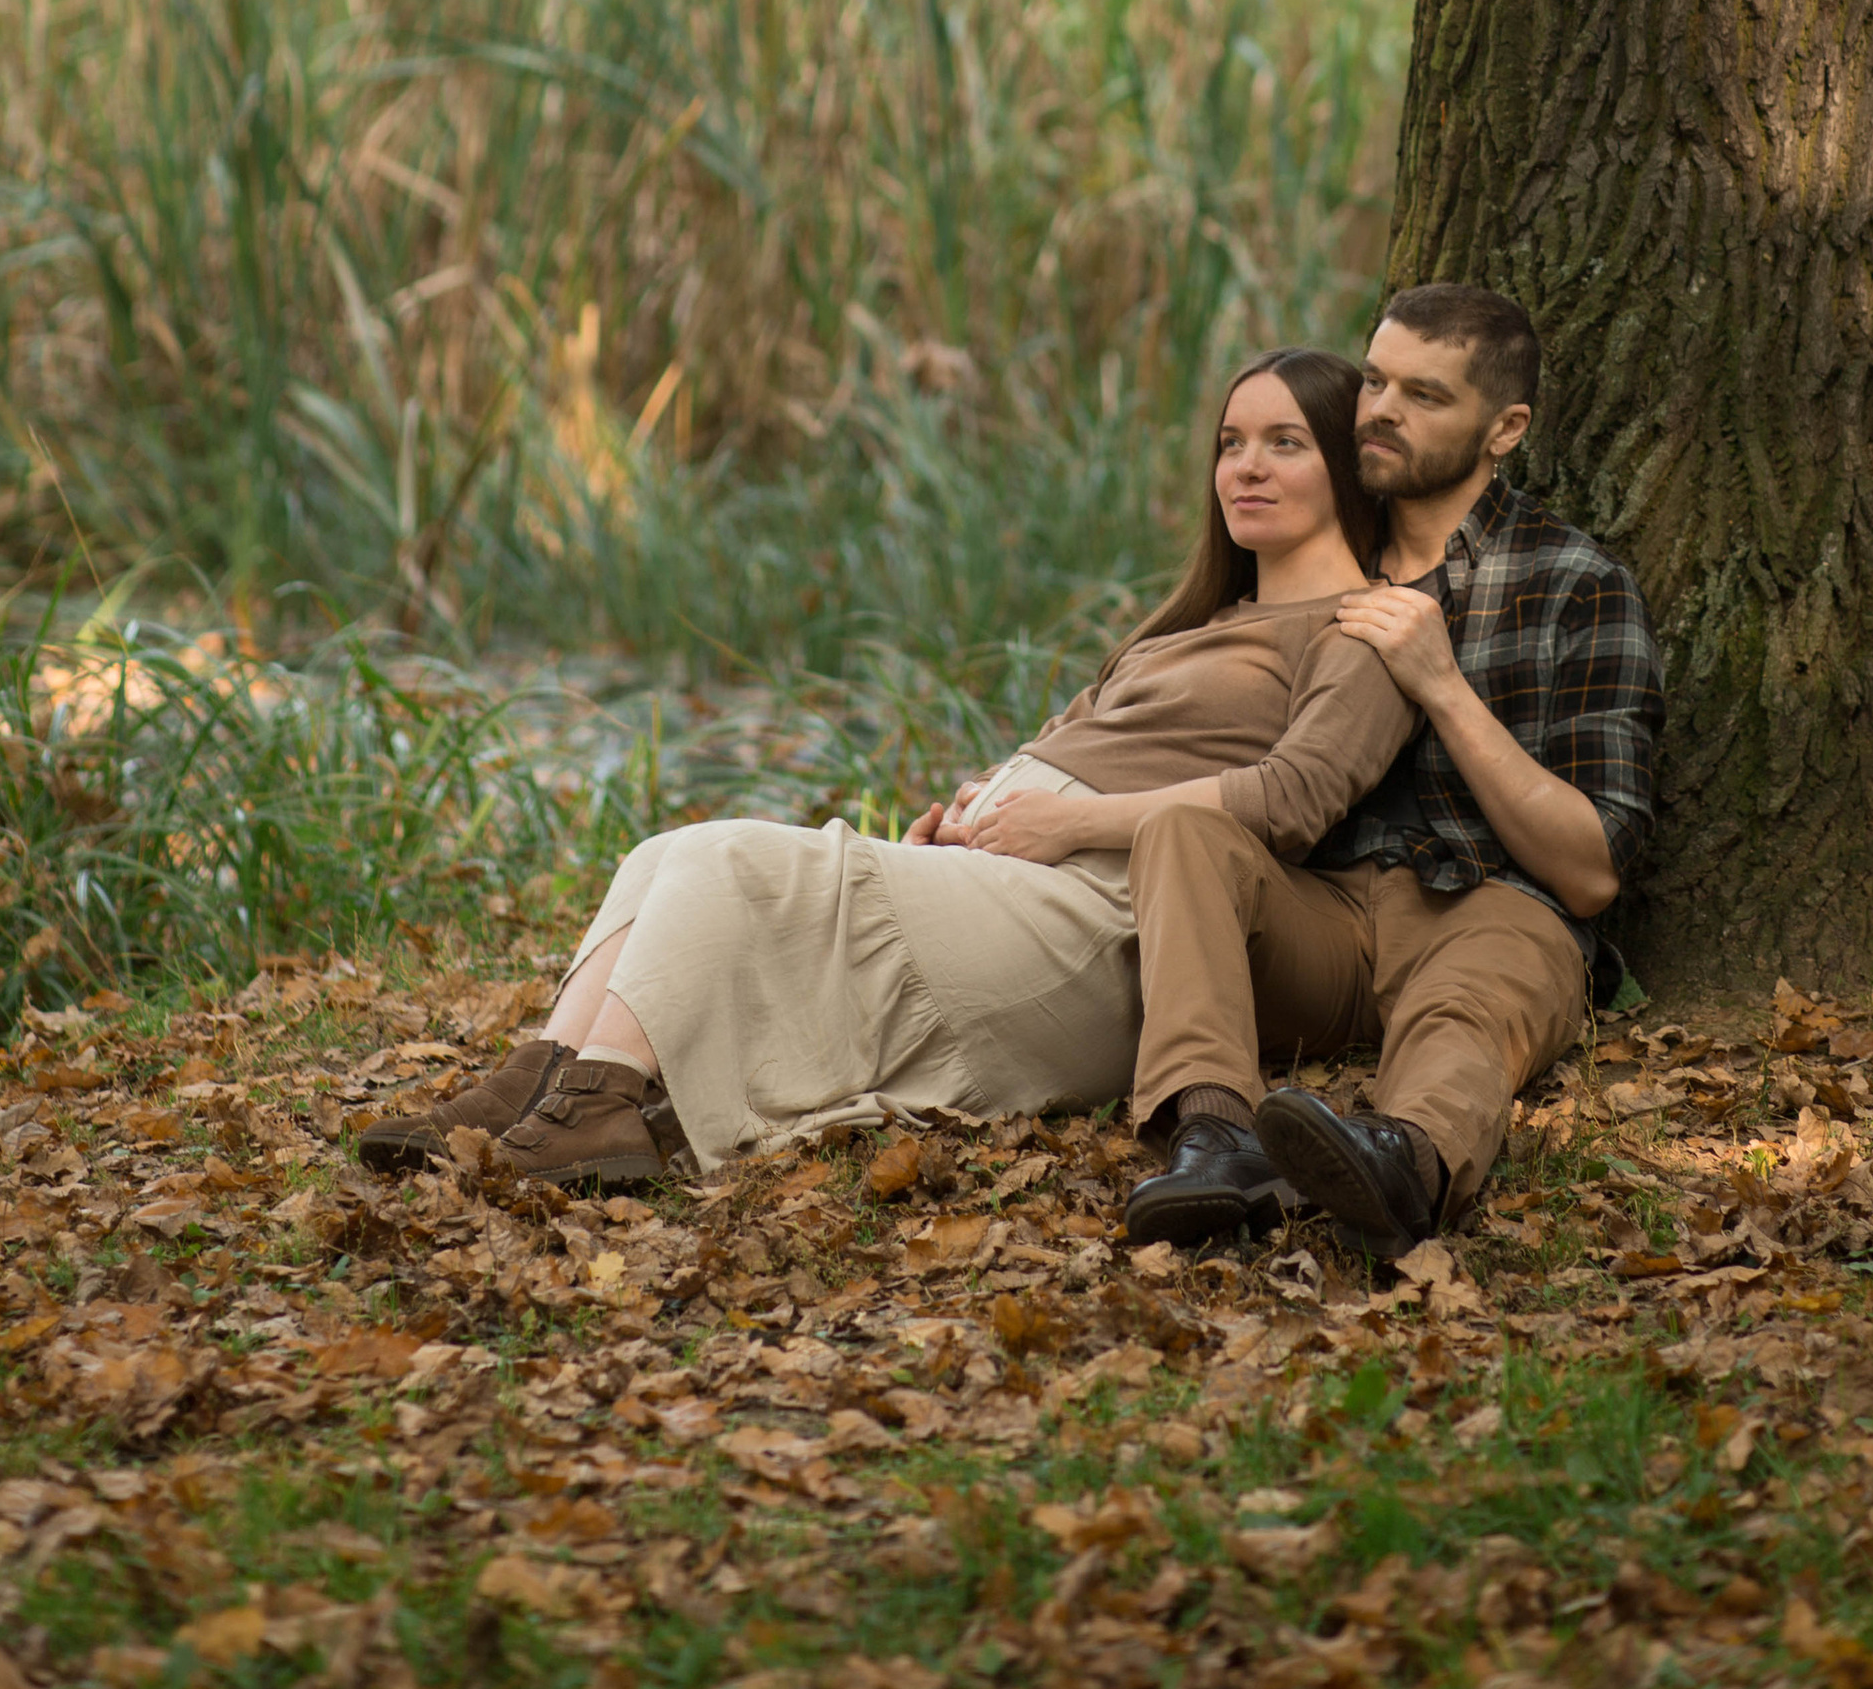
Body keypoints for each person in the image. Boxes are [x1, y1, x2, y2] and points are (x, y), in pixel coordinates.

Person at [355, 347, 1415, 1186]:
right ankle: (532, 1090)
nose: (1247, 466)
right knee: (665, 851)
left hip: (1114, 922)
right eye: (1231, 442)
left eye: (1284, 442)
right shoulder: (1192, 622)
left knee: (731, 862)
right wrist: (975, 811)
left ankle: (597, 1111)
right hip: (1023, 878)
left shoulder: (1360, 629)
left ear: (1347, 463)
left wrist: (1070, 824)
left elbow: (1292, 803)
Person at [1122, 279, 1663, 1257]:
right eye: (1374, 381)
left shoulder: (1570, 584)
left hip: (1492, 903)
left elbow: (1588, 872)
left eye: (1425, 396)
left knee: (1465, 1012)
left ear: (1503, 430)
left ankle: (1400, 1165)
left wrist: (1442, 685)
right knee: (1182, 830)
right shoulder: (1316, 554)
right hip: (1322, 913)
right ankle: (1213, 1139)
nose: (1379, 411)